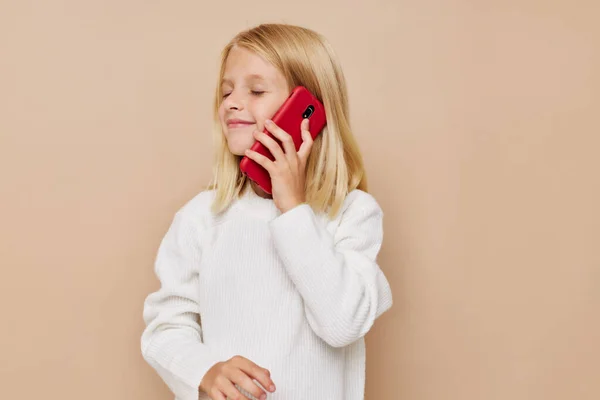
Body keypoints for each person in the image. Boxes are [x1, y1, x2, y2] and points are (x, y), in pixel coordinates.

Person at [141, 23, 393, 400]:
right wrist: (205, 372)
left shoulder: (353, 214)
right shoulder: (201, 218)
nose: (231, 102)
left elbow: (342, 323)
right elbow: (165, 328)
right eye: (226, 91)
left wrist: (292, 210)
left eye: (256, 90)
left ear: (309, 110)